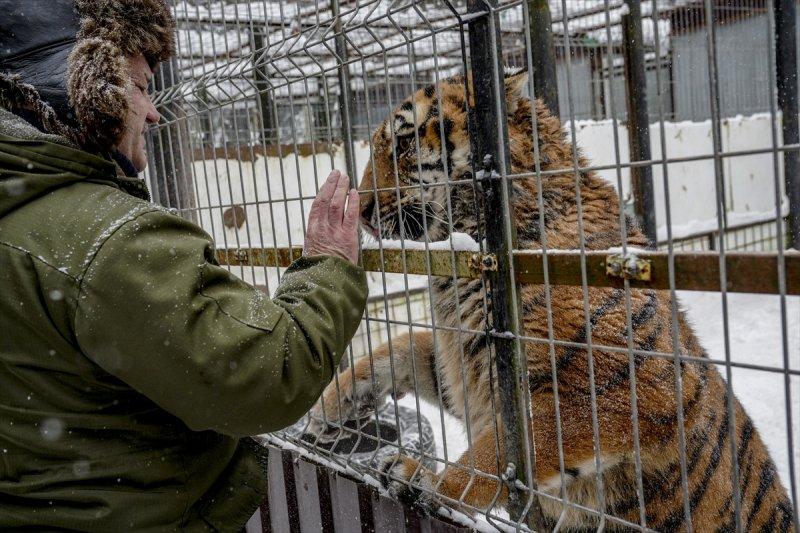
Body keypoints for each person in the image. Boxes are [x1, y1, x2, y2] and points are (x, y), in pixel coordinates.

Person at [0, 0, 367, 530]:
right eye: (141, 86)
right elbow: (265, 376)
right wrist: (328, 270)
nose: (152, 112)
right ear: (81, 86)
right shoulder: (107, 241)